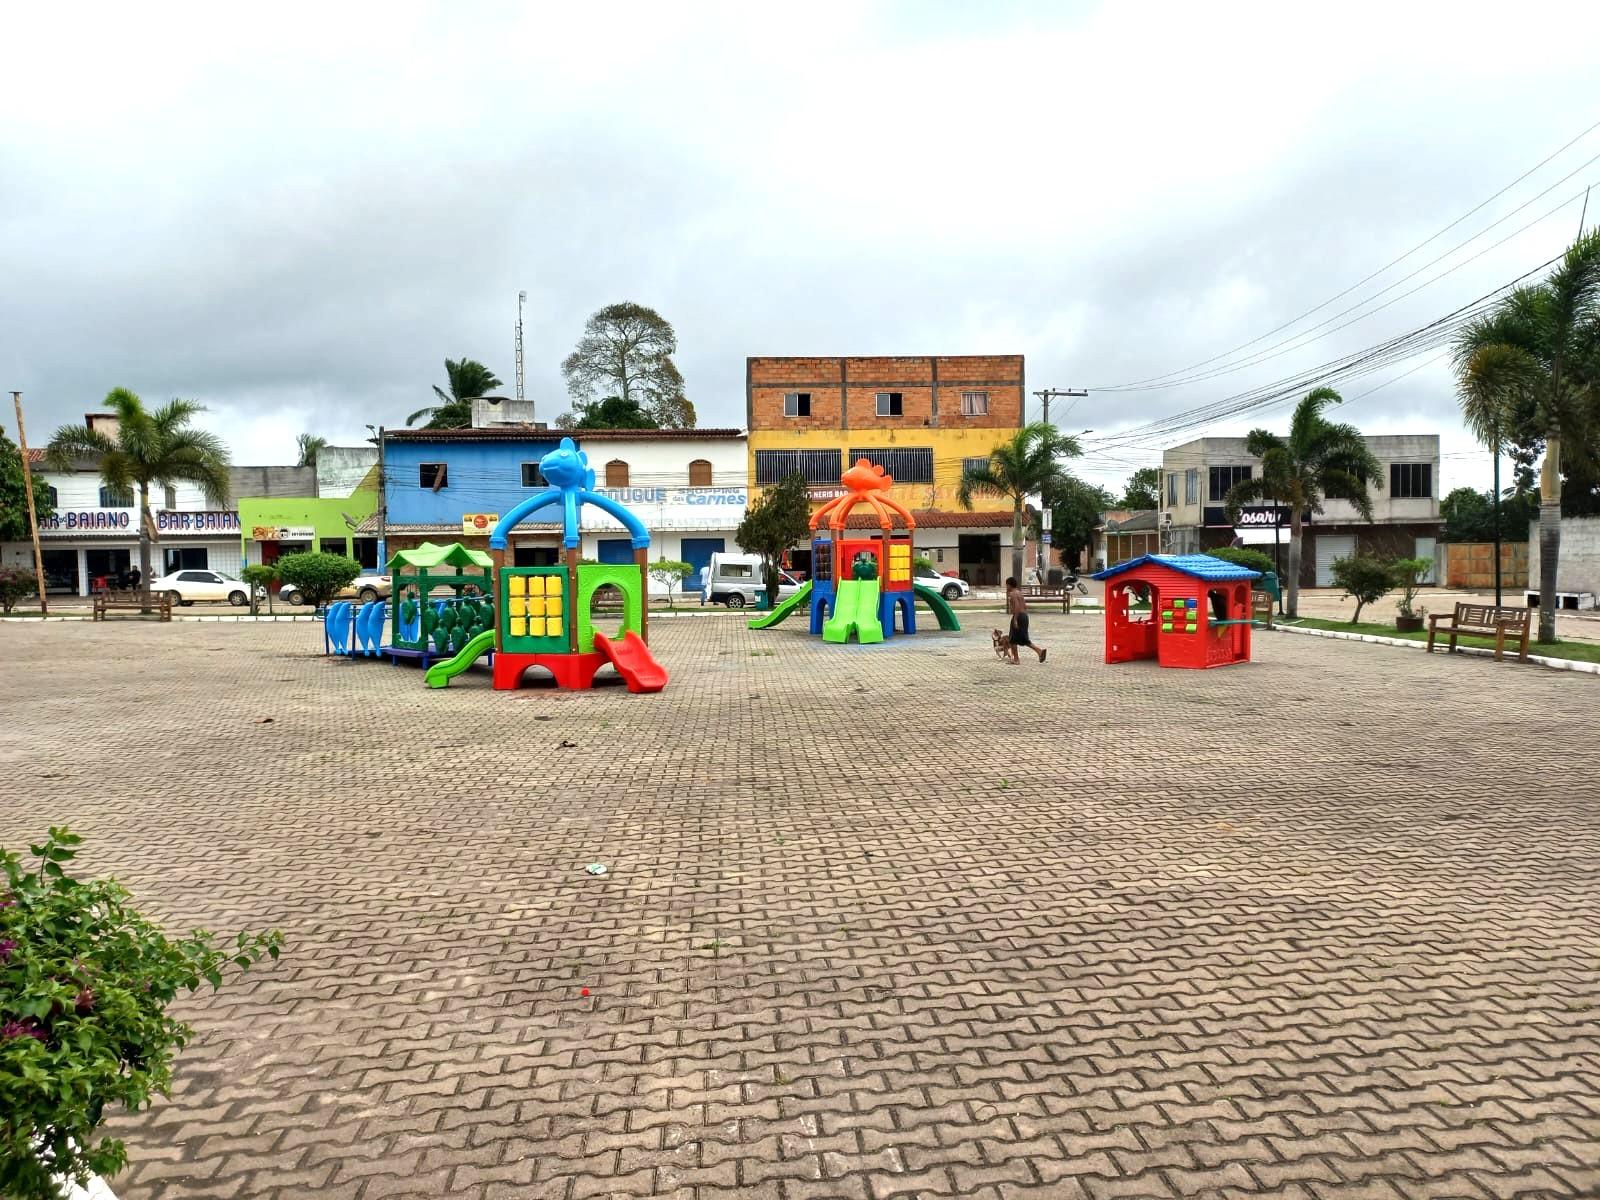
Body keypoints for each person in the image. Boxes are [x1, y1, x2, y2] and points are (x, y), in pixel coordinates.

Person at [1005, 575, 1047, 665]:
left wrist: (1015, 619)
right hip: (1024, 616)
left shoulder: (1012, 594)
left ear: (1009, 585)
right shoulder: (1019, 592)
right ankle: (1039, 651)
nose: (1006, 587)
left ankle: (1016, 659)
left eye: (1006, 585)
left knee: (1012, 639)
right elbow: (1024, 606)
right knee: (1023, 638)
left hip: (1018, 616)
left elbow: (1016, 606)